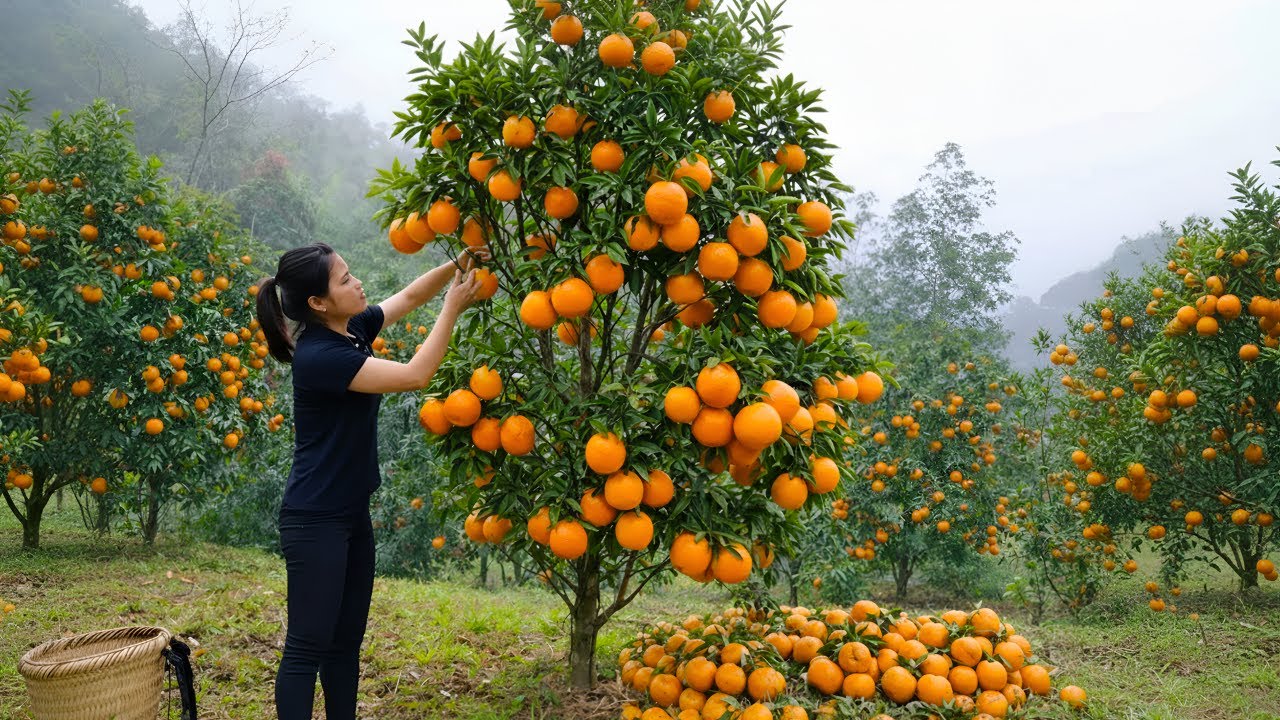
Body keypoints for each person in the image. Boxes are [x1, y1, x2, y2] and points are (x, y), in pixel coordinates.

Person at [254, 242, 484, 720]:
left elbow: (407, 298)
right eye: (343, 280)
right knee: (307, 646)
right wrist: (453, 307)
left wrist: (456, 263)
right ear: (317, 303)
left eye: (350, 272)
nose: (356, 282)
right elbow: (415, 375)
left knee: (344, 644)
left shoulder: (350, 329)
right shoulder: (319, 356)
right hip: (315, 519)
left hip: (350, 512)